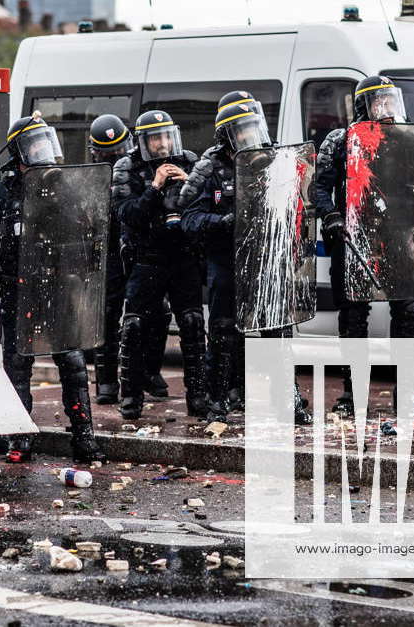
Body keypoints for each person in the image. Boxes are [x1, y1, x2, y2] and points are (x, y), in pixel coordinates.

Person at [179, 91, 310, 424]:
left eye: (254, 129)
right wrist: (221, 222)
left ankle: (289, 401)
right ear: (226, 136)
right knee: (223, 335)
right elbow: (189, 218)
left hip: (266, 261)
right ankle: (217, 403)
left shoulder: (274, 160)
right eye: (242, 131)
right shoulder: (209, 168)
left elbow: (295, 206)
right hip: (227, 263)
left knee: (277, 333)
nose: (250, 137)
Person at [0, 114, 107, 464]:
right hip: (18, 290)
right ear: (21, 152)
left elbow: (87, 236)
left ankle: (84, 437)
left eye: (46, 144)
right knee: (18, 363)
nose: (44, 152)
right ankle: (20, 438)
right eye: (36, 146)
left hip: (56, 288)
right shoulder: (1, 195)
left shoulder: (66, 189)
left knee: (71, 360)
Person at [313, 75, 414, 414]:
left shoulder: (407, 141)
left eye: (392, 100)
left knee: (410, 314)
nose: (388, 108)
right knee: (353, 319)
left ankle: (405, 394)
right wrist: (331, 215)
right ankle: (353, 396)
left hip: (392, 239)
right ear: (366, 106)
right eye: (381, 102)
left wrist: (412, 224)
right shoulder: (341, 141)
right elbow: (319, 187)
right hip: (351, 240)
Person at [112, 110, 208, 420]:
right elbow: (128, 214)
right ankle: (130, 398)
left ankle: (198, 397)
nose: (164, 144)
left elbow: (203, 206)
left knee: (193, 324)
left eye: (167, 136)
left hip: (182, 257)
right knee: (135, 326)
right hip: (146, 258)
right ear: (144, 141)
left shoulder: (190, 161)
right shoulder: (127, 167)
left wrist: (188, 185)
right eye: (156, 139)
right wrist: (155, 187)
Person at [87, 114, 171, 405]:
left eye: (119, 152)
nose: (115, 158)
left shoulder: (139, 170)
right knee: (107, 316)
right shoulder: (92, 178)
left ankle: (149, 371)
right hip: (108, 250)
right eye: (107, 154)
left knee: (156, 312)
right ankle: (107, 380)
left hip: (137, 248)